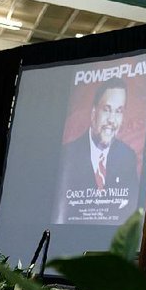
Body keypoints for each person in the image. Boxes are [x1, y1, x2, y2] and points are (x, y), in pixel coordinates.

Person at [53, 77, 139, 223]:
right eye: (107, 109)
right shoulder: (67, 155)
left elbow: (131, 216)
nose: (112, 120)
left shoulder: (128, 156)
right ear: (93, 113)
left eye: (118, 111)